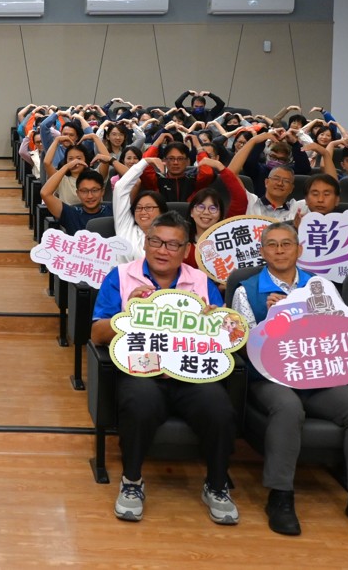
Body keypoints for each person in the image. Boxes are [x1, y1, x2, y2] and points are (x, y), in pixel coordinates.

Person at [230, 222, 348, 537]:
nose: (279, 250)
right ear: (262, 252)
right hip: (270, 379)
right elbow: (242, 346)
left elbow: (340, 334)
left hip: (317, 376)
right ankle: (280, 496)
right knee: (288, 409)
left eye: (286, 244)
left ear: (299, 249)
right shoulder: (247, 290)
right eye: (272, 245)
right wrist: (271, 322)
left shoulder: (321, 287)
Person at [91, 211, 236, 525]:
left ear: (186, 250)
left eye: (173, 245)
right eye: (156, 241)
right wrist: (129, 315)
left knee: (219, 407)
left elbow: (227, 335)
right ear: (145, 242)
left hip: (192, 372)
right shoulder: (121, 276)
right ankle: (132, 481)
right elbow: (97, 333)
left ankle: (216, 484)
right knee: (140, 402)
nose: (162, 250)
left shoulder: (201, 282)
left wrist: (215, 323)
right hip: (143, 369)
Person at [42, 165, 110, 234]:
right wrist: (66, 167)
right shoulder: (71, 214)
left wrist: (112, 161)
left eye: (94, 190)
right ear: (78, 193)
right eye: (84, 191)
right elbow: (45, 193)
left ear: (102, 192)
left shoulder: (113, 210)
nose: (90, 196)